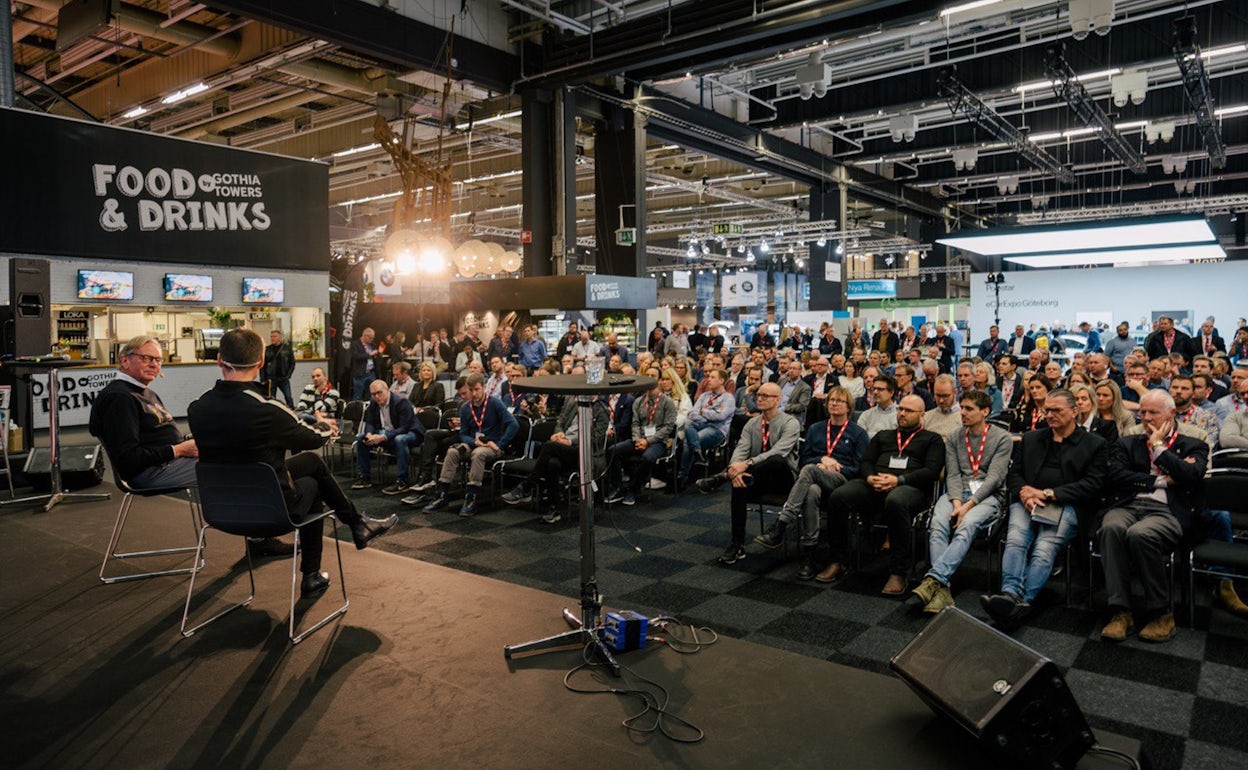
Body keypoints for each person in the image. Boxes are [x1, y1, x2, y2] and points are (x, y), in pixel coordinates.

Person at [188, 328, 396, 598]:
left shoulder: (197, 408)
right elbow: (312, 438)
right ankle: (316, 569)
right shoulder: (267, 408)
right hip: (271, 511)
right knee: (313, 484)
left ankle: (355, 527)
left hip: (219, 509)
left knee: (308, 463)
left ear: (219, 360)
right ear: (261, 361)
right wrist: (323, 425)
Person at [981, 389, 1108, 627]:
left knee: (1043, 548)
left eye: (1056, 410)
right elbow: (1014, 474)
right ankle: (1010, 594)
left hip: (1066, 504)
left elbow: (1093, 485)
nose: (1050, 415)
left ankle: (1021, 602)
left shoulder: (1095, 444)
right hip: (1028, 501)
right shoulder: (1031, 438)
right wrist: (1024, 492)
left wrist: (1049, 494)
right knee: (1017, 540)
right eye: (1047, 410)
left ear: (1075, 411)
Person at [1097, 390, 1208, 644]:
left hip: (1170, 511)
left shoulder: (1194, 443)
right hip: (1128, 506)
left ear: (1171, 413)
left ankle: (1161, 613)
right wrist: (1162, 480)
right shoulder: (1129, 441)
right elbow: (1116, 476)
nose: (1145, 418)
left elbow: (1191, 476)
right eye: (1142, 412)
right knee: (1111, 527)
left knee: (1141, 534)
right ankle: (1120, 611)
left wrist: (1159, 447)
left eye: (1153, 413)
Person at [817, 394, 945, 594]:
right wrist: (869, 478)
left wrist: (898, 480)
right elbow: (866, 462)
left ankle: (898, 571)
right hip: (875, 483)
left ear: (922, 415)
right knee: (839, 496)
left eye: (908, 411)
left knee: (896, 500)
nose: (902, 414)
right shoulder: (883, 435)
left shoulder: (932, 439)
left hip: (910, 488)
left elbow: (931, 471)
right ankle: (838, 560)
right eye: (900, 409)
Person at [911, 390, 1011, 613]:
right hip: (957, 494)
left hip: (987, 496)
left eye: (969, 409)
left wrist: (968, 506)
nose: (963, 413)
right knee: (937, 524)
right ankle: (942, 590)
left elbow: (995, 478)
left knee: (966, 525)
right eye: (962, 408)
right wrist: (957, 503)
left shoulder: (1002, 438)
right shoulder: (956, 436)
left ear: (985, 412)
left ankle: (934, 579)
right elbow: (953, 474)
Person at [754, 386, 867, 580]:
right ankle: (809, 555)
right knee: (811, 491)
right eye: (831, 400)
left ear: (849, 407)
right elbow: (804, 459)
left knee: (809, 471)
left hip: (842, 480)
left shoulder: (858, 433)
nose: (834, 403)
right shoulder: (816, 428)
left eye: (839, 401)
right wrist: (821, 461)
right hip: (814, 477)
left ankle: (781, 524)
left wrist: (835, 466)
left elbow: (860, 468)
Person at [695, 382, 801, 566]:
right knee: (739, 485)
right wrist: (735, 469)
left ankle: (722, 477)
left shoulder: (790, 423)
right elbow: (741, 449)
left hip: (783, 479)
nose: (760, 398)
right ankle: (737, 544)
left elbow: (779, 452)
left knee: (775, 460)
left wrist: (747, 464)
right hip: (755, 477)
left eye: (766, 396)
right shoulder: (752, 423)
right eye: (759, 395)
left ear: (778, 399)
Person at [89, 335, 199, 490]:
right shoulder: (119, 398)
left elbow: (153, 435)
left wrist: (186, 440)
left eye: (158, 360)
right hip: (150, 472)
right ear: (125, 360)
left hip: (168, 462)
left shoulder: (145, 392)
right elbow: (128, 458)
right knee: (230, 464)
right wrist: (178, 450)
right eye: (146, 358)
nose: (154, 365)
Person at [424, 373, 519, 516]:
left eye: (477, 389)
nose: (474, 394)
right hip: (474, 444)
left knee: (478, 453)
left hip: (491, 447)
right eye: (472, 390)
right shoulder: (465, 407)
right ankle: (442, 495)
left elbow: (514, 425)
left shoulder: (494, 403)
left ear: (484, 387)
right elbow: (463, 433)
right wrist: (473, 441)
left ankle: (471, 497)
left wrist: (500, 444)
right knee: (453, 451)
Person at [503, 397, 609, 524]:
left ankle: (527, 486)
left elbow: (596, 439)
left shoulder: (601, 409)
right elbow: (561, 422)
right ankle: (554, 508)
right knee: (552, 463)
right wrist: (559, 434)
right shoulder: (573, 402)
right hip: (565, 448)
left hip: (585, 453)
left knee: (549, 446)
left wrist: (569, 441)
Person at [604, 378, 677, 506]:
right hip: (639, 439)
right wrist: (638, 439)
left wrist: (648, 441)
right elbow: (635, 423)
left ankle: (633, 489)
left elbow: (668, 427)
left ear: (657, 382)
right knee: (613, 450)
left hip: (658, 441)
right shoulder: (638, 401)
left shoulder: (667, 402)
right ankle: (618, 487)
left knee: (647, 457)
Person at [352, 379, 421, 495]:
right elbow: (370, 422)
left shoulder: (401, 402)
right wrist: (369, 434)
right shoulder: (374, 403)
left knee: (400, 439)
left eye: (380, 393)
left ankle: (402, 481)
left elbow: (404, 427)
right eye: (373, 394)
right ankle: (364, 477)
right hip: (388, 432)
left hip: (411, 432)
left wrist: (383, 437)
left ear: (387, 390)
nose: (377, 397)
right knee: (362, 438)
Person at [676, 368, 734, 483]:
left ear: (721, 380)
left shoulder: (728, 398)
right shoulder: (704, 396)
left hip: (717, 430)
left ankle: (682, 476)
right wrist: (710, 415)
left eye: (713, 377)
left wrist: (703, 412)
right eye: (708, 377)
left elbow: (721, 416)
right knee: (688, 423)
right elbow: (692, 414)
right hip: (701, 425)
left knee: (688, 440)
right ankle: (697, 454)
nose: (708, 380)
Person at [856, 374, 899, 439]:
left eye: (880, 389)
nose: (875, 392)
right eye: (874, 389)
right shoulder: (866, 415)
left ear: (891, 392)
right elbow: (860, 440)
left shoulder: (901, 414)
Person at [262, 330, 296, 407]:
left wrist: (288, 375)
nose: (272, 338)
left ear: (280, 338)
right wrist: (263, 379)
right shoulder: (267, 349)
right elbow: (263, 366)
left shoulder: (287, 349)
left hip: (283, 377)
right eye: (271, 336)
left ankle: (292, 411)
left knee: (288, 396)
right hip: (271, 378)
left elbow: (292, 363)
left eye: (274, 336)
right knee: (271, 398)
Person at [778, 359, 812, 428]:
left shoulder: (805, 387)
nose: (791, 371)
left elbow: (801, 406)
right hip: (776, 412)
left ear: (800, 371)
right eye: (790, 368)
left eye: (794, 369)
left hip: (791, 415)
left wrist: (784, 408)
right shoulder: (782, 381)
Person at [349, 327, 378, 400]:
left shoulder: (372, 345)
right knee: (357, 396)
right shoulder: (355, 344)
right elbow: (356, 356)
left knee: (371, 395)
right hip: (360, 374)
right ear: (365, 336)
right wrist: (370, 354)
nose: (372, 340)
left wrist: (378, 354)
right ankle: (355, 410)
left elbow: (376, 356)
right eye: (371, 338)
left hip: (371, 373)